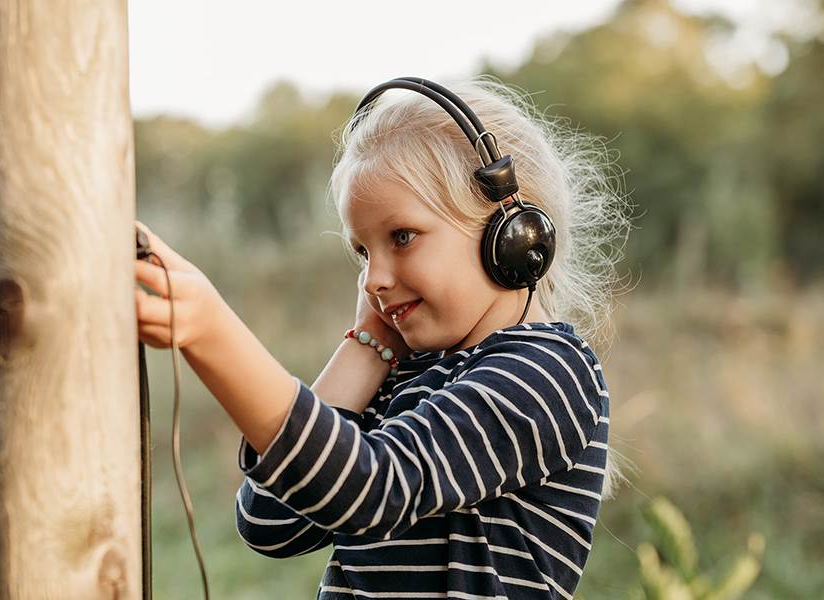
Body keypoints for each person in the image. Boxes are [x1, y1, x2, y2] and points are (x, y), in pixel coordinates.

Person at [135, 76, 630, 599]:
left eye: (402, 237)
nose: (373, 279)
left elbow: (374, 488)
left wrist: (214, 331)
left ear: (508, 229)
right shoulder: (400, 382)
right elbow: (273, 522)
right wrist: (367, 347)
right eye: (363, 253)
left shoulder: (546, 370)